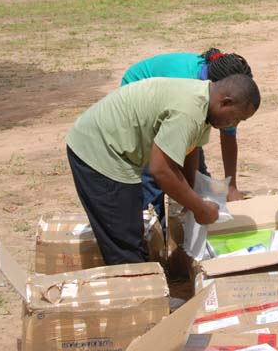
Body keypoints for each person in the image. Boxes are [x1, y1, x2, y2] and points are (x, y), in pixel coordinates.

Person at [66, 74, 261, 265]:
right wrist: (199, 208)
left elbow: (190, 150)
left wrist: (191, 194)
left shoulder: (204, 104)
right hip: (99, 150)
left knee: (131, 229)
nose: (233, 125)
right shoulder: (189, 111)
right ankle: (135, 293)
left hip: (118, 151)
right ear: (225, 102)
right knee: (124, 243)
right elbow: (160, 170)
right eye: (236, 118)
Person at [121, 49, 252, 224]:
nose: (234, 123)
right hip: (139, 103)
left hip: (179, 114)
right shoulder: (187, 87)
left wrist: (231, 186)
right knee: (155, 176)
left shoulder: (222, 98)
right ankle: (154, 235)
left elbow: (225, 136)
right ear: (223, 96)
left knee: (195, 177)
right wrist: (195, 204)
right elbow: (160, 167)